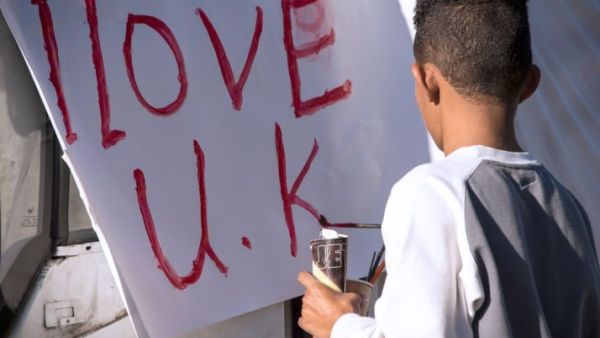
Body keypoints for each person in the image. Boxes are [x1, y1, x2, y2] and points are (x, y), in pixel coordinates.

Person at [296, 0, 600, 337]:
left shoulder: (433, 192)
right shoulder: (568, 207)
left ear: (427, 81)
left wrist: (339, 325)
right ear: (529, 84)